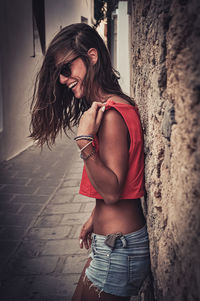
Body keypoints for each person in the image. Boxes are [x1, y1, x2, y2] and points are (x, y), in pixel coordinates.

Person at [30, 23, 151, 301]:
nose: (63, 79)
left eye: (66, 69)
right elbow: (118, 182)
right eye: (59, 73)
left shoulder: (110, 115)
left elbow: (112, 191)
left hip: (119, 249)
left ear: (92, 56)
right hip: (111, 244)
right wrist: (94, 218)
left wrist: (84, 141)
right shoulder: (110, 106)